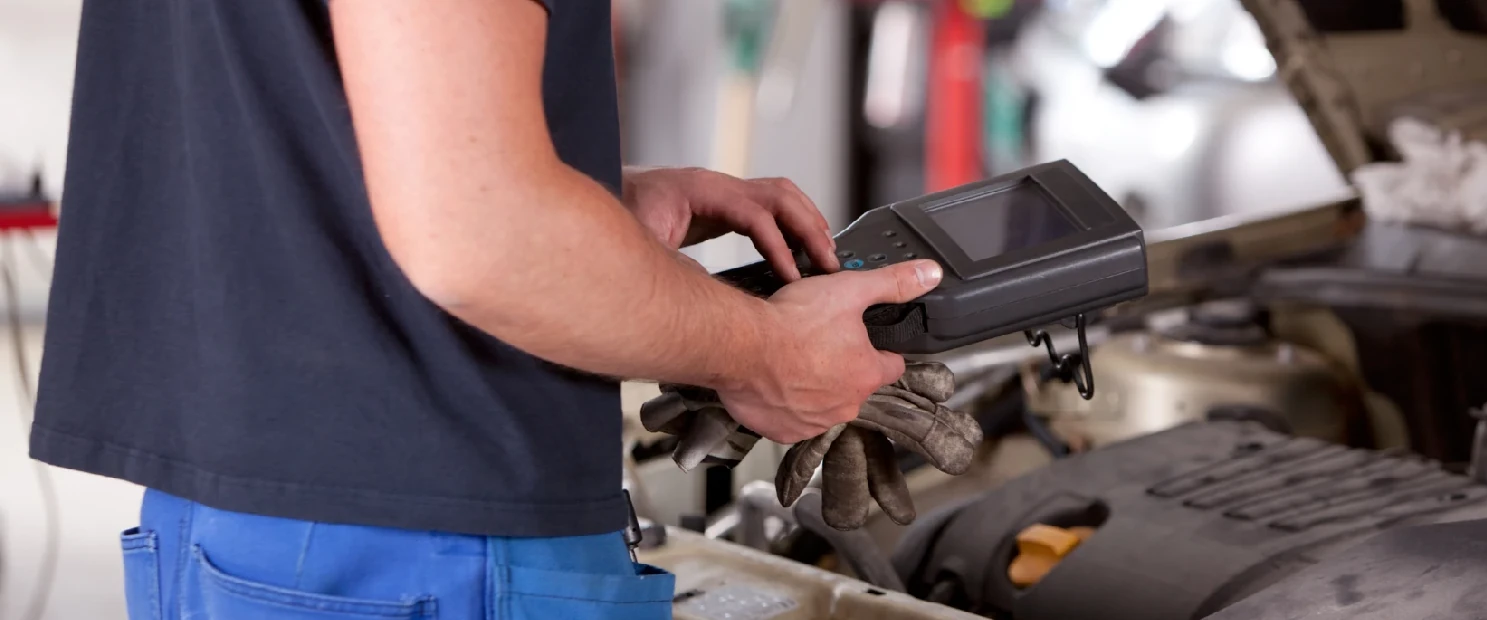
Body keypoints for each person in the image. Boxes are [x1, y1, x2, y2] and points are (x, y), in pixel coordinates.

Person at [29, 1, 943, 618]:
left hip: (245, 518)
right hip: (418, 548)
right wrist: (763, 354)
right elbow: (477, 234)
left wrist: (588, 202)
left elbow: (296, 119)